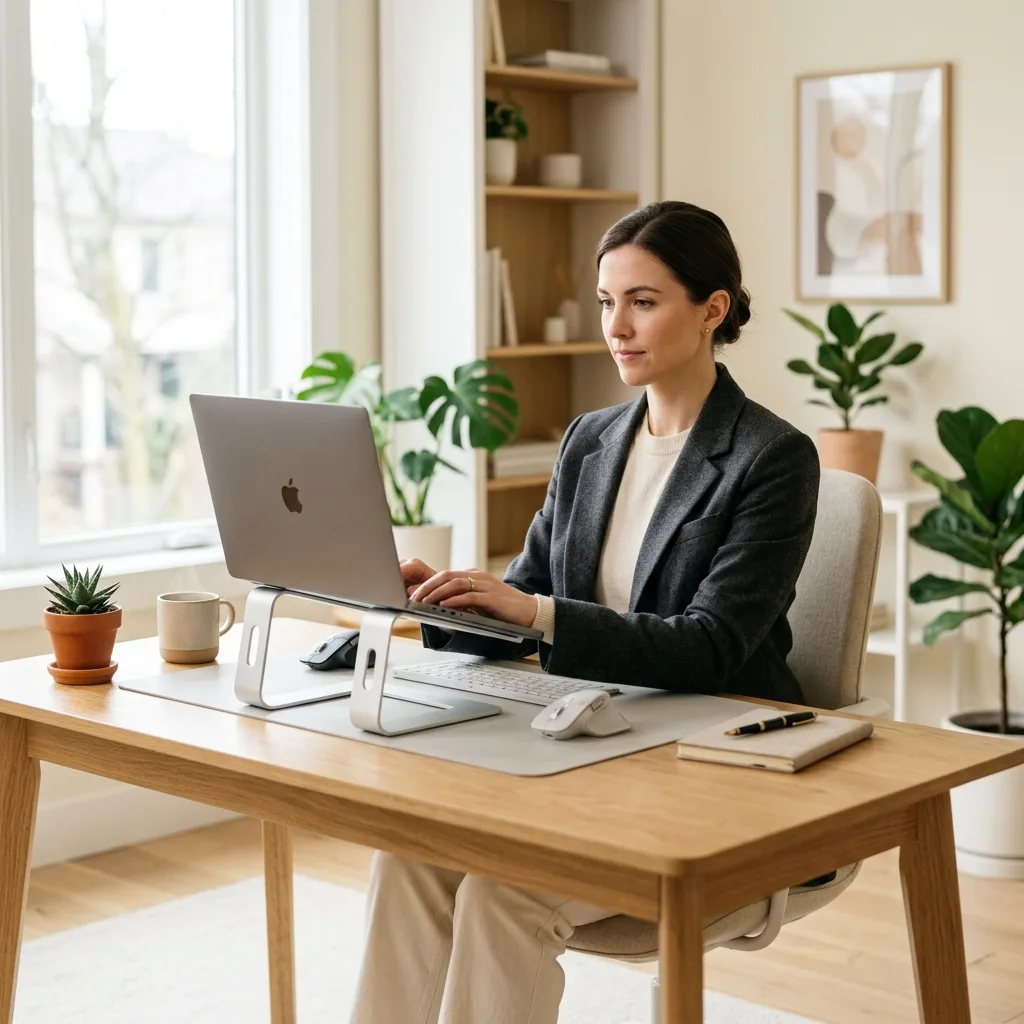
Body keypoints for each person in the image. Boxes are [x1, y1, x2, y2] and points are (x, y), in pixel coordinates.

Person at [348, 200, 820, 1024]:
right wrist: (441, 601)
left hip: (708, 758)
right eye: (607, 302)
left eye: (643, 300)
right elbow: (529, 596)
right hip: (591, 744)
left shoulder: (772, 457)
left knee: (501, 897)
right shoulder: (589, 440)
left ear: (712, 310)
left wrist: (533, 612)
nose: (617, 325)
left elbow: (710, 647)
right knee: (407, 858)